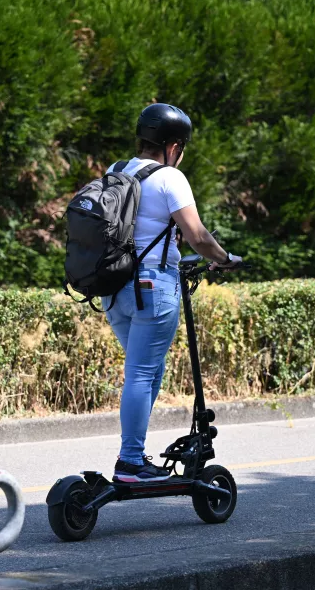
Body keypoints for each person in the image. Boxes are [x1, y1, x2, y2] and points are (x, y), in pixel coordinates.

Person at [102, 103, 242, 483]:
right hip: (152, 287)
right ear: (174, 144)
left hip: (114, 289)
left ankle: (133, 456)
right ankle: (130, 461)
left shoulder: (117, 170)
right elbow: (197, 236)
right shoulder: (169, 178)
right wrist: (225, 258)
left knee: (147, 371)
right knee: (141, 373)